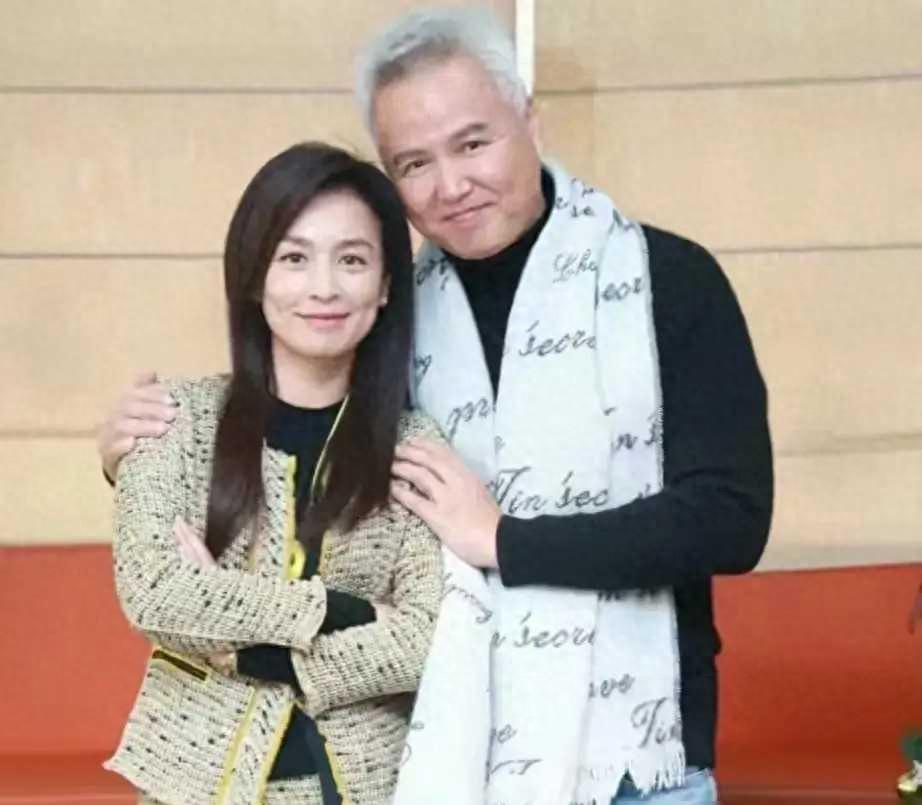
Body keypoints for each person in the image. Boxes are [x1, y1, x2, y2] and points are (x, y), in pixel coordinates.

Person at [99, 7, 773, 805]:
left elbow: (731, 518)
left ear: (529, 119)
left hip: (635, 759)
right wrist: (133, 457)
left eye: (473, 143)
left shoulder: (666, 278)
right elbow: (297, 444)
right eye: (413, 163)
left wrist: (503, 539)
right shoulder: (394, 319)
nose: (450, 185)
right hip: (448, 750)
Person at [104, 142, 443, 805]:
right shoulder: (172, 419)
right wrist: (344, 611)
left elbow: (425, 637)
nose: (324, 287)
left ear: (384, 287)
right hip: (191, 784)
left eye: (352, 260)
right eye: (294, 258)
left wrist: (241, 645)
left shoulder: (416, 446)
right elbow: (154, 591)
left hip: (369, 786)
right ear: (255, 277)